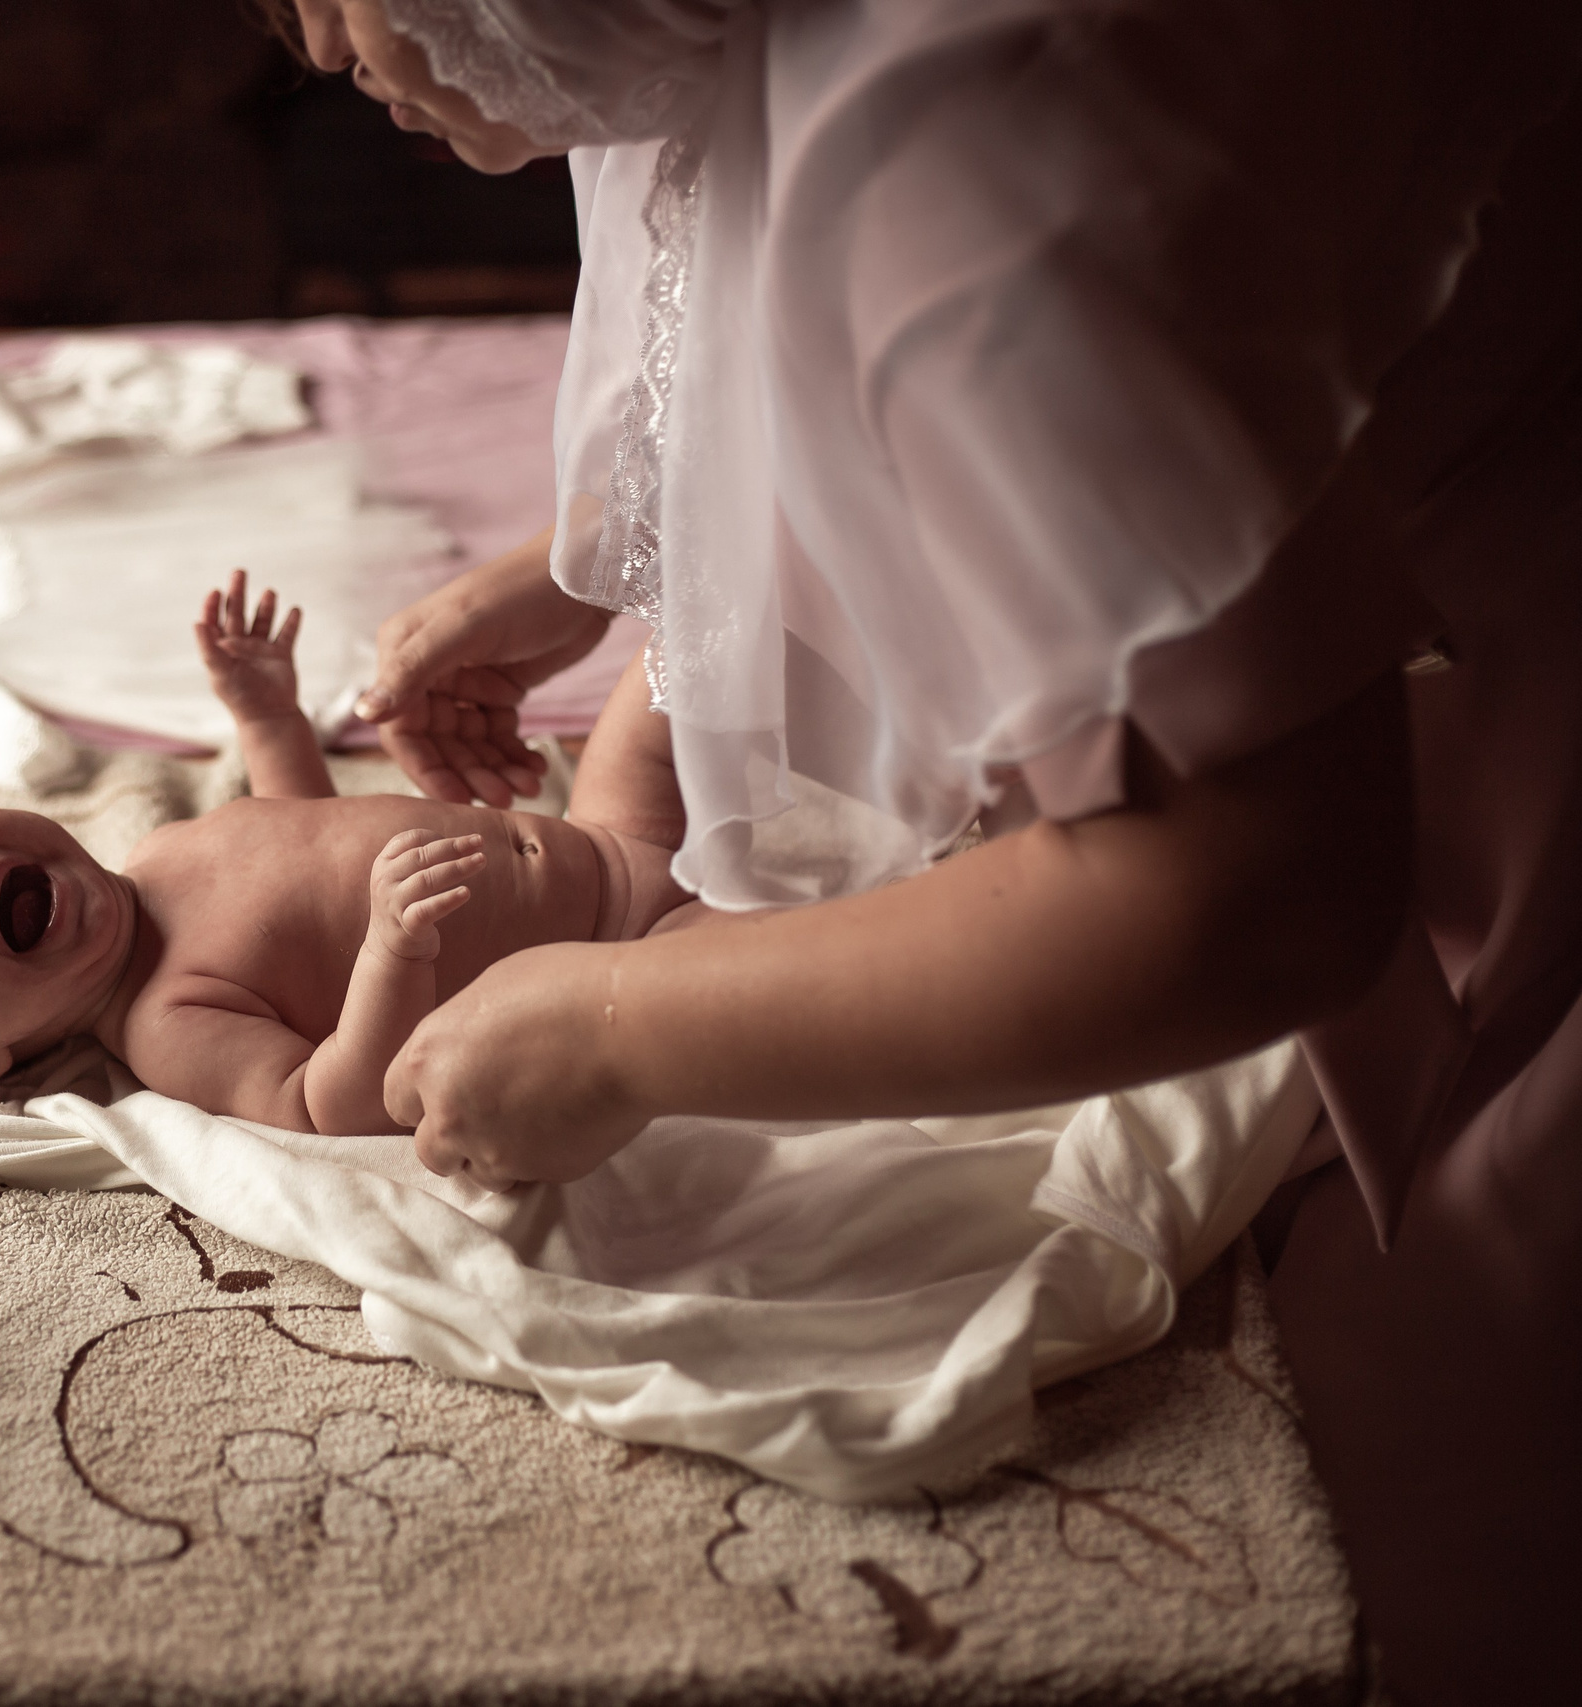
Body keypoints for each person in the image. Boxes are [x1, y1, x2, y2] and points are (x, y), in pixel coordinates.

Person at [284, 1, 1581, 1700]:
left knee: (1408, 1477)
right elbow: (938, 361)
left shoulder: (963, 137)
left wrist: (616, 1027)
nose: (311, 46)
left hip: (1498, 692)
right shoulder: (730, 47)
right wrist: (609, 558)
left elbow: (1261, 893)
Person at [0, 572, 689, 1134]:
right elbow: (325, 1105)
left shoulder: (160, 849)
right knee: (796, 955)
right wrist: (390, 954)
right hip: (630, 948)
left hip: (605, 832)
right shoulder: (167, 1021)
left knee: (692, 633)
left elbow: (300, 823)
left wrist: (267, 716)